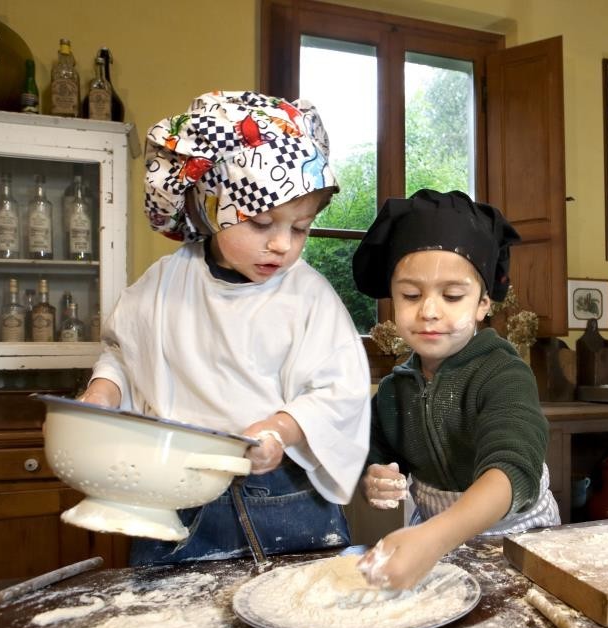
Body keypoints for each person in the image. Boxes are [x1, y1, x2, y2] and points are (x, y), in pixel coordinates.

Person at [79, 91, 371, 563]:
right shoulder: (165, 284)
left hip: (284, 498)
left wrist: (281, 430)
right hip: (173, 496)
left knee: (299, 614)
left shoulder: (308, 296)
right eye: (260, 222)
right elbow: (121, 352)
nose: (281, 244)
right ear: (209, 206)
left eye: (300, 229)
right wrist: (103, 395)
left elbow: (339, 390)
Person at [350, 189, 560, 589]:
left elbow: (510, 471)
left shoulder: (503, 375)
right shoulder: (396, 391)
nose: (428, 310)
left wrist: (433, 539)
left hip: (517, 539)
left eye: (452, 295)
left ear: (483, 303)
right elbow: (372, 454)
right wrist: (373, 476)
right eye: (411, 295)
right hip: (432, 540)